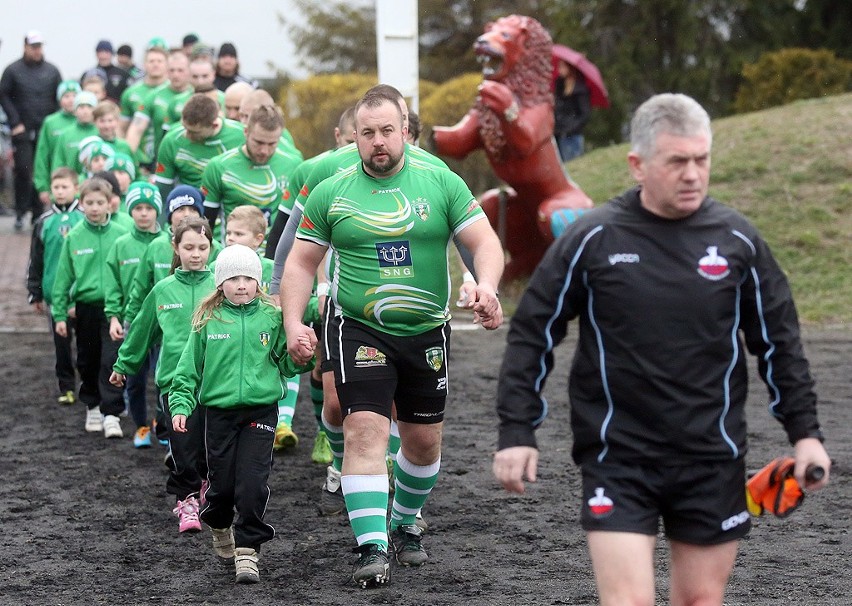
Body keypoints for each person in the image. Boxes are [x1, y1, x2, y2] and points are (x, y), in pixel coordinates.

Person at [493, 93, 832, 606]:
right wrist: (517, 431)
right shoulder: (594, 238)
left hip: (711, 456)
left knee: (699, 601)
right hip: (618, 457)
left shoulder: (738, 240)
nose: (693, 173)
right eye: (677, 161)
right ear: (638, 164)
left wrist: (805, 435)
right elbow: (533, 332)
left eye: (702, 159)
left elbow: (780, 343)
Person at [282, 90, 504, 588]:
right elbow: (298, 261)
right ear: (353, 137)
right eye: (368, 133)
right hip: (359, 327)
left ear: (405, 130)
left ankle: (405, 520)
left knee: (424, 444)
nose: (378, 142)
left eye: (387, 131)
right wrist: (293, 321)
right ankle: (371, 546)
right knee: (365, 429)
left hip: (426, 329)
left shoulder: (440, 182)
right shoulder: (331, 191)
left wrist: (485, 285)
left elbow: (484, 241)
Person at [170, 244, 311, 583]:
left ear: (258, 282)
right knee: (222, 489)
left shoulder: (272, 317)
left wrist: (301, 356)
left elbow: (286, 363)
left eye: (249, 277)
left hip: (261, 411)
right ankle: (218, 522)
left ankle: (247, 551)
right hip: (218, 415)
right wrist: (181, 404)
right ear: (220, 283)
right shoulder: (207, 320)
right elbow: (188, 370)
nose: (242, 284)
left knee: (252, 484)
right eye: (233, 278)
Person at [110, 216, 216, 532]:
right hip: (172, 381)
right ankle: (186, 502)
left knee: (209, 448)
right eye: (189, 247)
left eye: (203, 247)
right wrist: (123, 366)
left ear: (212, 247)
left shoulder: (221, 287)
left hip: (214, 382)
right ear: (175, 247)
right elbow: (142, 331)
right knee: (182, 447)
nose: (196, 254)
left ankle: (208, 489)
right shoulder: (163, 290)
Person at [52, 177, 128, 437]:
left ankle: (111, 414)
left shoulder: (121, 236)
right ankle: (92, 406)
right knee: (88, 360)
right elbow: (62, 279)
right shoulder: (73, 237)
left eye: (100, 203)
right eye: (89, 203)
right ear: (82, 205)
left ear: (110, 204)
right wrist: (60, 314)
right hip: (85, 308)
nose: (95, 208)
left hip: (114, 309)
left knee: (112, 360)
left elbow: (128, 276)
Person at [104, 182, 166, 448]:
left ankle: (163, 426)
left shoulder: (169, 243)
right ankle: (141, 426)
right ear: (130, 210)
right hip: (134, 323)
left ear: (157, 211)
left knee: (164, 377)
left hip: (164, 322)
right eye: (138, 208)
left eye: (149, 208)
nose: (143, 213)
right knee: (136, 379)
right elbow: (113, 284)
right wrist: (114, 317)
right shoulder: (121, 244)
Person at [201, 103, 300, 250]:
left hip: (275, 260)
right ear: (246, 132)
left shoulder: (294, 165)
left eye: (272, 143)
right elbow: (206, 223)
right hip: (232, 258)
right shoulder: (219, 166)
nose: (264, 151)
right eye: (258, 142)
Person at [27, 167, 84, 404]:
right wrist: (35, 292)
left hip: (82, 295)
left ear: (76, 188)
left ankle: (88, 385)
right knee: (61, 345)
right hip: (55, 296)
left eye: (65, 187)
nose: (60, 192)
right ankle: (67, 387)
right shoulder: (44, 222)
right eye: (56, 188)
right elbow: (36, 259)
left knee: (85, 344)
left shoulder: (85, 217)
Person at [0, 30, 62, 231]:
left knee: (42, 171)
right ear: (25, 47)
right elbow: (4, 96)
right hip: (22, 130)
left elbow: (59, 98)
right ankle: (20, 211)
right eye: (33, 47)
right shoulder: (12, 70)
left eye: (39, 47)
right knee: (24, 171)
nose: (37, 51)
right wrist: (14, 122)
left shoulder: (52, 71)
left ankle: (38, 212)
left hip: (47, 130)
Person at [154, 94, 244, 202]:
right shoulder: (172, 139)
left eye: (194, 132)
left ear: (214, 125)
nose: (187, 135)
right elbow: (163, 188)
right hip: (188, 203)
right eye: (185, 128)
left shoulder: (241, 135)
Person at [125, 50, 192, 162]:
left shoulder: (196, 96)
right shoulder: (154, 96)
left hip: (189, 159)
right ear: (167, 70)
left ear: (189, 71)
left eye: (180, 70)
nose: (176, 74)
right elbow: (136, 129)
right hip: (161, 159)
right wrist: (128, 158)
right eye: (172, 70)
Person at [118, 44, 169, 167]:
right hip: (140, 159)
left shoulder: (175, 92)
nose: (155, 64)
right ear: (144, 64)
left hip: (165, 159)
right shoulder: (131, 93)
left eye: (159, 61)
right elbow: (121, 128)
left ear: (167, 64)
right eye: (151, 61)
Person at [33, 81, 81, 205]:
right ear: (59, 100)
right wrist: (43, 186)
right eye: (66, 96)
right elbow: (42, 155)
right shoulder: (51, 122)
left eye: (74, 95)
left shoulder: (85, 122)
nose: (71, 100)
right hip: (59, 184)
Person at [553, 60, 591, 163]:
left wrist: (571, 128)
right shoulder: (559, 84)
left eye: (562, 67)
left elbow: (585, 114)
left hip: (572, 134)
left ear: (570, 68)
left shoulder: (579, 89)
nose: (559, 70)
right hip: (558, 133)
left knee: (572, 166)